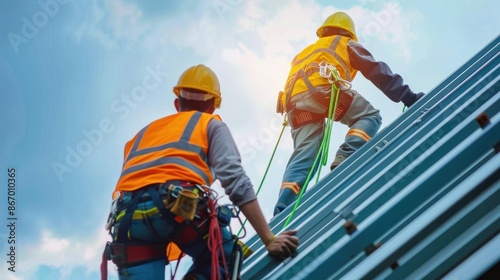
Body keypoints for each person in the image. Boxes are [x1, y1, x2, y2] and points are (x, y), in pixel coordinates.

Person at [103, 64, 299, 279]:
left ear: (177, 103)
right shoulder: (210, 124)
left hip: (127, 219)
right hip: (176, 206)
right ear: (214, 105)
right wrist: (269, 239)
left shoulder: (140, 135)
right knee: (226, 257)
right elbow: (234, 179)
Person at [273, 12, 425, 215]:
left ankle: (283, 207)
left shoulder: (305, 52)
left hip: (294, 105)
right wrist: (409, 97)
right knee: (369, 117)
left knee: (304, 157)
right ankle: (345, 158)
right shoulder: (344, 43)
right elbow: (376, 71)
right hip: (322, 91)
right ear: (349, 33)